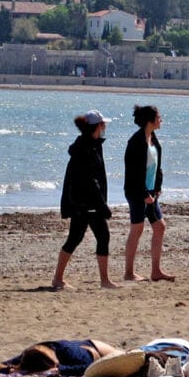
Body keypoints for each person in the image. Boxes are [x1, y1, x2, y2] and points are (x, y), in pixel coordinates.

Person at [54, 111, 118, 290]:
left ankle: (104, 280)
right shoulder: (85, 148)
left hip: (88, 202)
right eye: (103, 124)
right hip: (85, 203)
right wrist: (102, 205)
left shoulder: (94, 145)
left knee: (90, 237)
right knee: (82, 237)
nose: (104, 127)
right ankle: (59, 279)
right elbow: (90, 180)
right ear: (97, 126)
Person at [123, 104, 174, 281]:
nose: (161, 120)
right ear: (151, 120)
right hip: (137, 192)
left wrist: (157, 188)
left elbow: (157, 167)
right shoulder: (136, 141)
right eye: (159, 117)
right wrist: (144, 193)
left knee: (160, 227)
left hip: (151, 193)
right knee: (137, 229)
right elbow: (133, 172)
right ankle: (129, 273)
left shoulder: (153, 138)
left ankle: (156, 271)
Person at [0, 338, 123, 377]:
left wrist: (60, 370)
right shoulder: (30, 354)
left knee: (126, 355)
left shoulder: (72, 354)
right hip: (72, 347)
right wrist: (8, 369)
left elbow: (87, 367)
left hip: (96, 349)